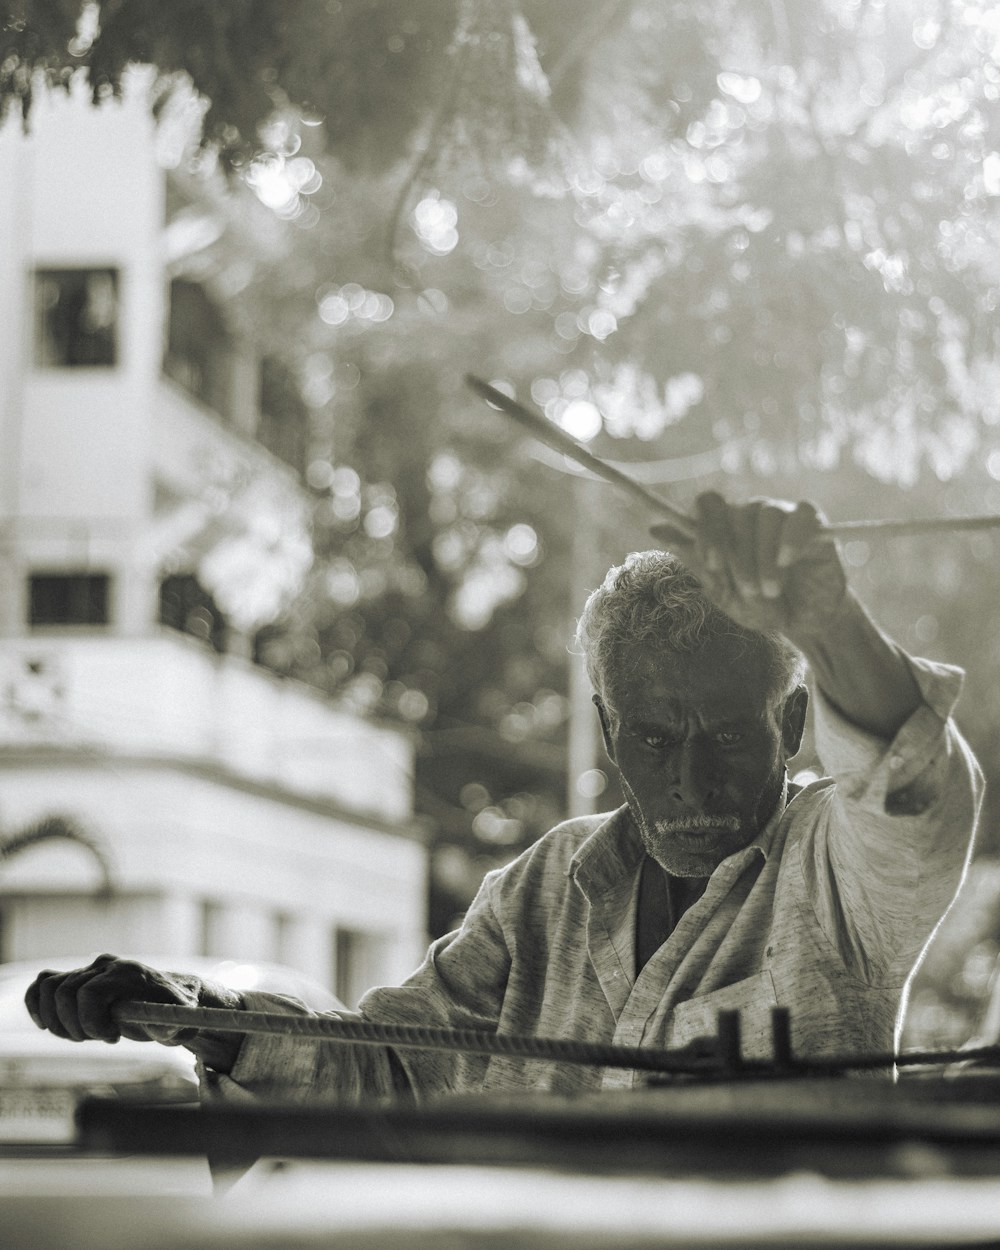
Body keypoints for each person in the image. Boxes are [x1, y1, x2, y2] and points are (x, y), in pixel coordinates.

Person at [25, 493, 981, 1103]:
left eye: (728, 735)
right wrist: (209, 1013)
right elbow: (391, 1064)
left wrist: (825, 618)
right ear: (609, 732)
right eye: (652, 740)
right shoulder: (542, 894)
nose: (691, 781)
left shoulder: (841, 874)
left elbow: (913, 782)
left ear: (791, 721)